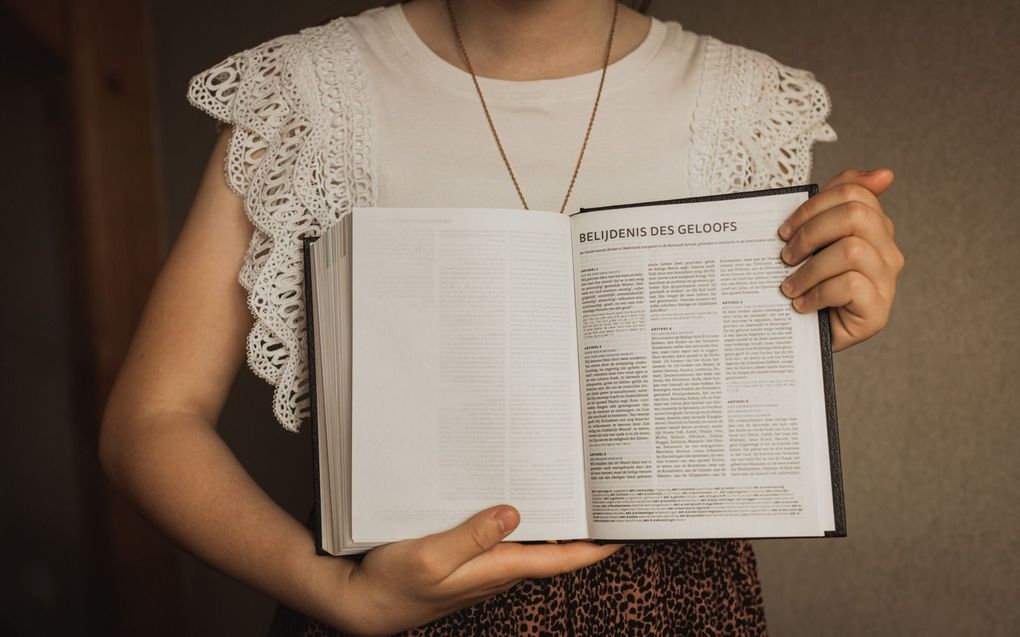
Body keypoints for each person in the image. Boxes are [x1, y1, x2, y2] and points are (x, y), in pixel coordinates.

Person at [100, 0, 904, 634]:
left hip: (678, 610)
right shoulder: (305, 95)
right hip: (391, 606)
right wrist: (338, 594)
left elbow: (723, 379)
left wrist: (807, 326)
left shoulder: (747, 104)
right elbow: (150, 420)